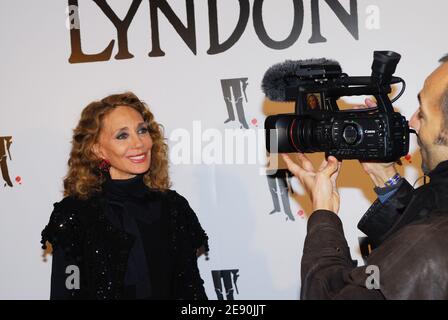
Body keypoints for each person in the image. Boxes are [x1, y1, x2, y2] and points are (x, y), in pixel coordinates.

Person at [282, 54, 448, 299]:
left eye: (422, 113)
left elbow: (326, 294)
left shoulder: (426, 247)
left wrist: (323, 214)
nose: (412, 121)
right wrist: (386, 178)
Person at [41, 92, 209, 300]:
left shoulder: (174, 208)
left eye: (142, 130)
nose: (139, 143)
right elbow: (67, 291)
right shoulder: (74, 214)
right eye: (122, 135)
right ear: (98, 149)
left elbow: (191, 290)